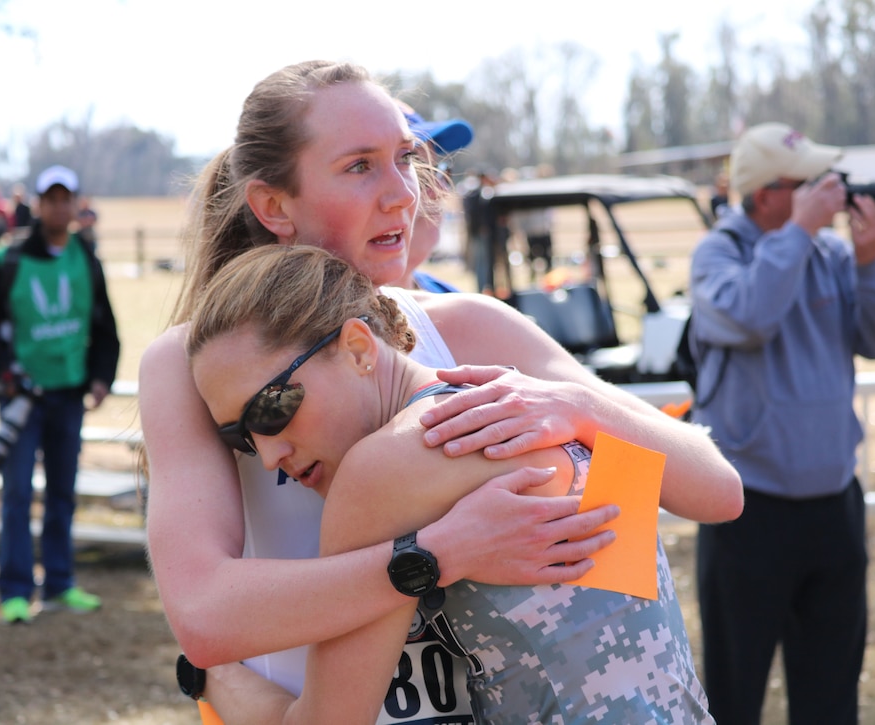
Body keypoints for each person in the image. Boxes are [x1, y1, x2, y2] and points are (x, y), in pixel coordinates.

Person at [138, 60, 742, 723]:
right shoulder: (193, 361)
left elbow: (710, 490)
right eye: (359, 166)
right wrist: (439, 554)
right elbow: (201, 612)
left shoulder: (471, 329)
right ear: (273, 205)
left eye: (404, 158)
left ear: (364, 350)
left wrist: (578, 407)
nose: (403, 192)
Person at [185, 243, 715, 724]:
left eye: (272, 408)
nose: (270, 454)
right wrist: (582, 404)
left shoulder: (380, 473)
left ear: (358, 348)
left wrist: (211, 675)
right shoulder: (529, 406)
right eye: (240, 437)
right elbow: (721, 495)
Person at [688, 122, 875, 724]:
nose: (831, 191)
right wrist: (801, 231)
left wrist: (868, 265)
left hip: (834, 503)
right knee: (735, 695)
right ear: (765, 194)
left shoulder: (832, 253)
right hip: (746, 508)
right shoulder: (718, 254)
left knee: (831, 695)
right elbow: (751, 315)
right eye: (811, 182)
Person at [0, 164, 121, 624]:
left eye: (66, 198)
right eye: (51, 198)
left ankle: (59, 582)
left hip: (69, 396)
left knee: (62, 494)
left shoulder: (87, 260)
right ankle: (15, 588)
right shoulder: (6, 261)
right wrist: (3, 371)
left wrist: (101, 377)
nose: (59, 206)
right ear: (38, 205)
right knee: (17, 493)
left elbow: (105, 328)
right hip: (24, 399)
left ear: (76, 204)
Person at [395, 100, 473, 293]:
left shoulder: (450, 298)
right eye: (418, 171)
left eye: (439, 170)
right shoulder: (331, 320)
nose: (440, 190)